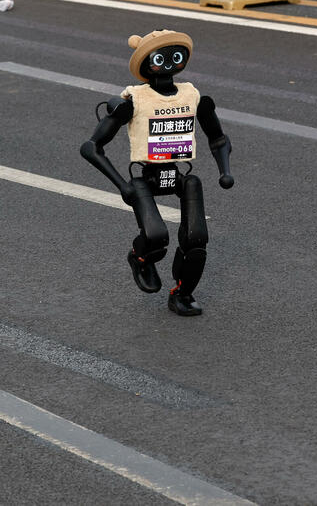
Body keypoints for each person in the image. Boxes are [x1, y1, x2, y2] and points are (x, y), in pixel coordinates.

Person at [80, 30, 234, 316]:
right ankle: (141, 257)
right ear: (146, 64)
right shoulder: (135, 101)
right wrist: (122, 185)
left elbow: (218, 137)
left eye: (177, 56)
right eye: (160, 58)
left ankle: (182, 293)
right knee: (155, 236)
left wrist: (225, 171)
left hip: (178, 172)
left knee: (197, 237)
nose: (169, 63)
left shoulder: (192, 96)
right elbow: (92, 147)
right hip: (145, 176)